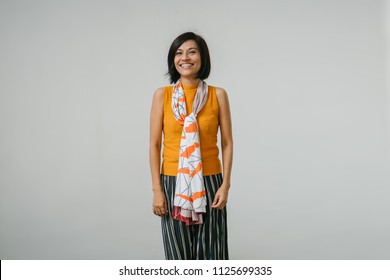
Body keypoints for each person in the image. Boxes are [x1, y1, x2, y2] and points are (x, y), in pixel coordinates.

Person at [149, 32, 233, 260]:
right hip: (172, 181)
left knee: (212, 254)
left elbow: (226, 143)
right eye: (179, 53)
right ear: (173, 60)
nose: (185, 58)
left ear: (202, 57)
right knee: (179, 257)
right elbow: (155, 145)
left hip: (210, 180)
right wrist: (157, 190)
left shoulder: (218, 95)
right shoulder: (162, 96)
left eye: (192, 52)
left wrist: (225, 185)